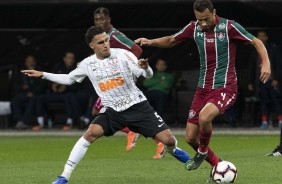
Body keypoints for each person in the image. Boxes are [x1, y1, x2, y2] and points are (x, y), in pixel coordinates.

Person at [22, 26, 190, 184]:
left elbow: (146, 74)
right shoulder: (87, 64)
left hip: (137, 106)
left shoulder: (124, 54)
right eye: (100, 42)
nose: (105, 45)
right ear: (92, 45)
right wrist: (43, 74)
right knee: (90, 133)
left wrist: (145, 68)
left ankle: (172, 149)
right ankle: (64, 176)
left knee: (168, 140)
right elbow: (68, 79)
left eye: (106, 40)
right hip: (112, 110)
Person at [135, 0, 271, 172]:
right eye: (199, 19)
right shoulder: (194, 28)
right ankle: (218, 167)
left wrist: (265, 63)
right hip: (202, 89)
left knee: (205, 118)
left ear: (214, 12)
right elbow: (171, 40)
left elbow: (256, 42)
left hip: (225, 86)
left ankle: (203, 151)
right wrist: (150, 42)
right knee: (190, 138)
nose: (203, 23)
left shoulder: (229, 27)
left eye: (206, 19)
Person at [93, 6, 165, 158]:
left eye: (102, 19)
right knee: (116, 113)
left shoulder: (115, 35)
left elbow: (137, 49)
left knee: (105, 111)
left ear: (108, 19)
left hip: (121, 82)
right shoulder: (102, 37)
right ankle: (156, 141)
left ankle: (146, 136)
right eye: (96, 19)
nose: (99, 22)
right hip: (112, 81)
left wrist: (128, 69)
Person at [32, 51, 78, 131]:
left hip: (67, 94)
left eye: (72, 58)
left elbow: (77, 85)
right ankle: (40, 123)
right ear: (64, 59)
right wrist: (52, 86)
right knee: (40, 98)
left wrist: (66, 88)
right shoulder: (58, 67)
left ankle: (69, 123)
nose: (71, 60)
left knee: (69, 98)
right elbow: (50, 80)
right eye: (69, 57)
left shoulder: (76, 69)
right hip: (56, 94)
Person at [248, 30, 282, 129]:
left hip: (272, 80)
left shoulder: (274, 49)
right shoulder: (254, 51)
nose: (261, 38)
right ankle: (264, 121)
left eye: (263, 36)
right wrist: (250, 82)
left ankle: (280, 120)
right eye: (259, 36)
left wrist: (276, 79)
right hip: (261, 81)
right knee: (263, 101)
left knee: (276, 100)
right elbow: (252, 67)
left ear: (267, 37)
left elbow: (279, 65)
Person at [12, 55, 46, 129]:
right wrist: (22, 87)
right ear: (25, 63)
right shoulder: (22, 72)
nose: (31, 63)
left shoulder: (39, 71)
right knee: (15, 100)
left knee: (34, 99)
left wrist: (33, 91)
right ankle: (19, 121)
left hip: (36, 94)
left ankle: (24, 121)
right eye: (29, 61)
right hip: (24, 93)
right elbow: (16, 85)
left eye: (32, 61)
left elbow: (42, 85)